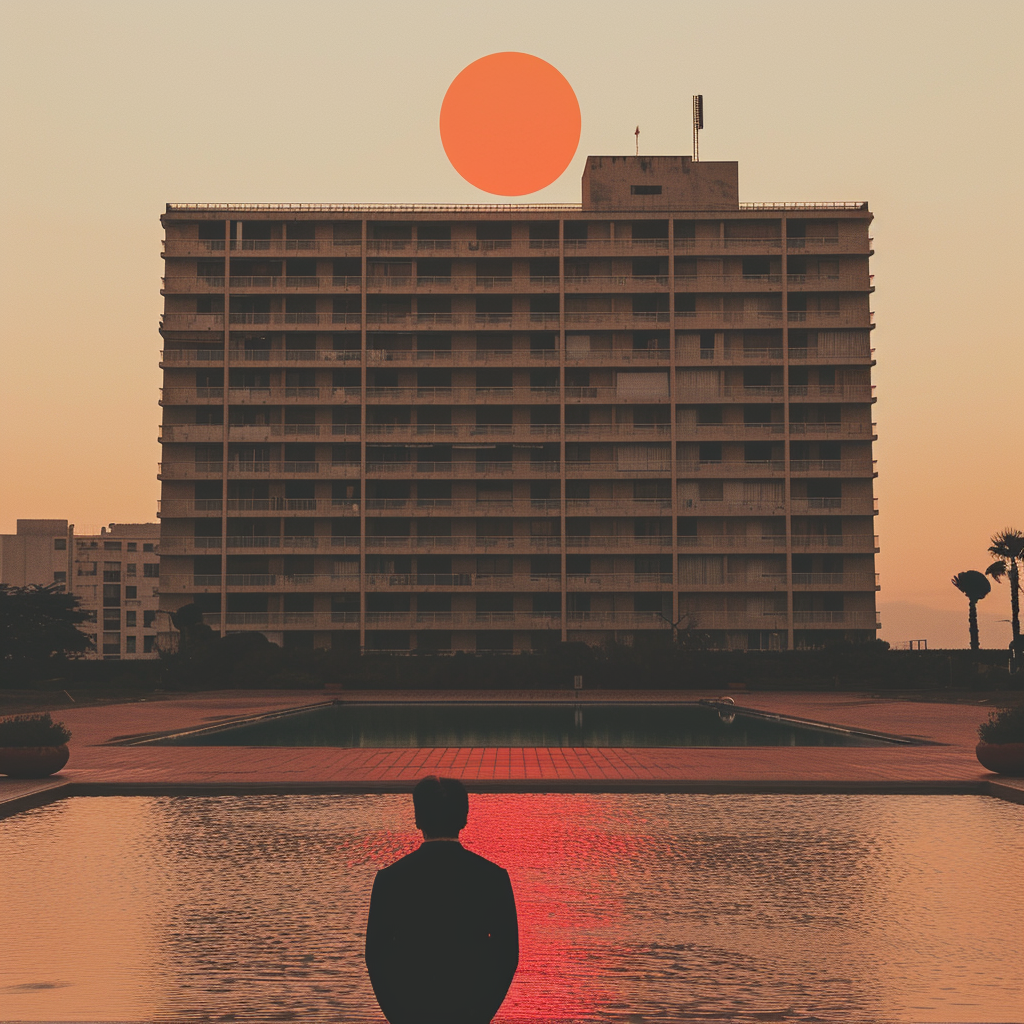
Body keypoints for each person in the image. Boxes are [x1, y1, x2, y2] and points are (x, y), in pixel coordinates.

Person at [365, 776, 519, 1024]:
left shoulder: (390, 879)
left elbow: (376, 955)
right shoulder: (493, 877)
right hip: (470, 1008)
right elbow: (507, 954)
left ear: (417, 819)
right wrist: (480, 1014)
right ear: (464, 819)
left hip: (411, 1009)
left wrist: (398, 1015)